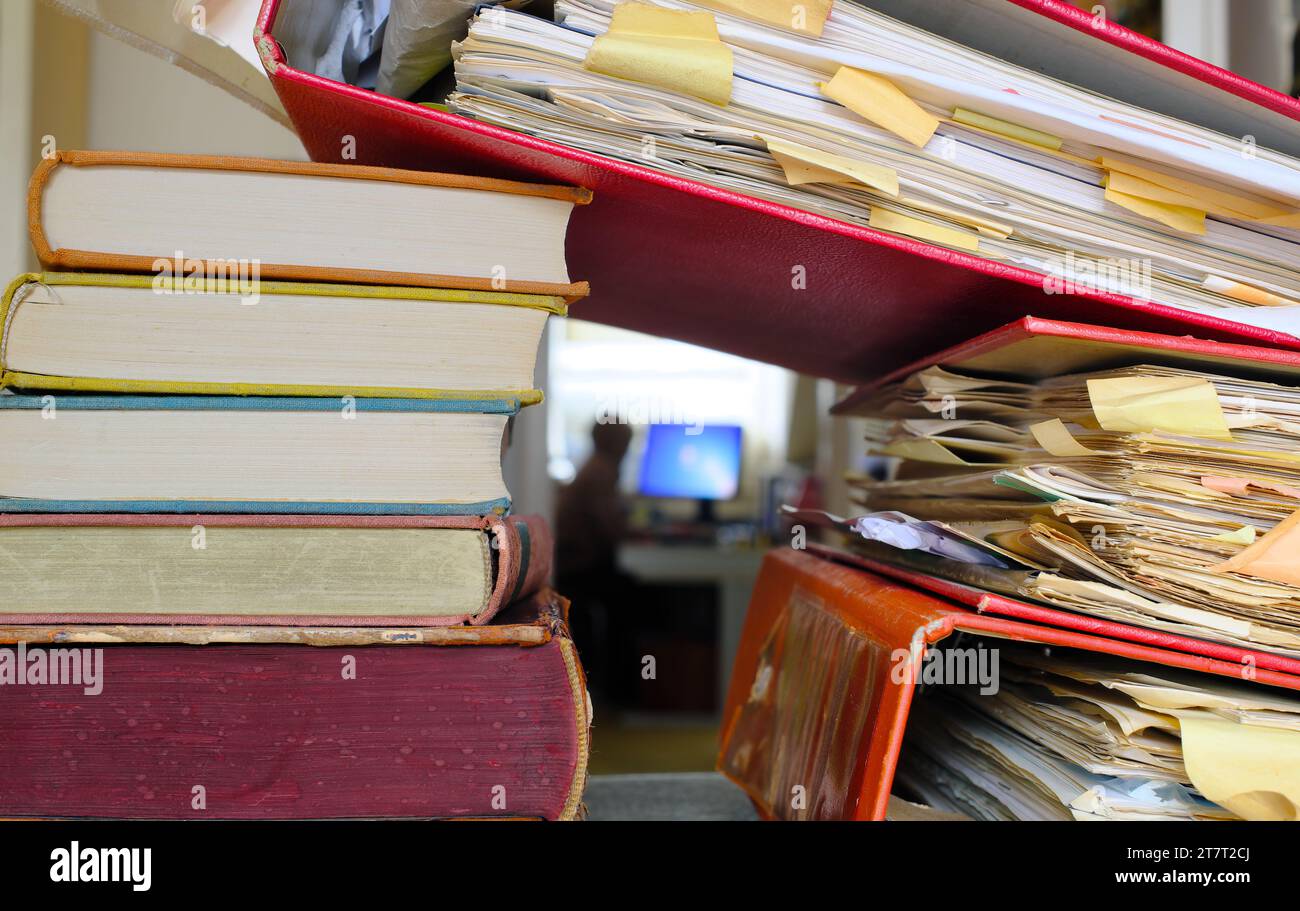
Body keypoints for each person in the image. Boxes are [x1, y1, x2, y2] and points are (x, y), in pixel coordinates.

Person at [555, 421, 635, 701]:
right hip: (580, 569)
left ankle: (615, 686)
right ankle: (622, 690)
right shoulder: (601, 472)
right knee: (634, 597)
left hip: (576, 565)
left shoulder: (592, 466)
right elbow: (610, 528)